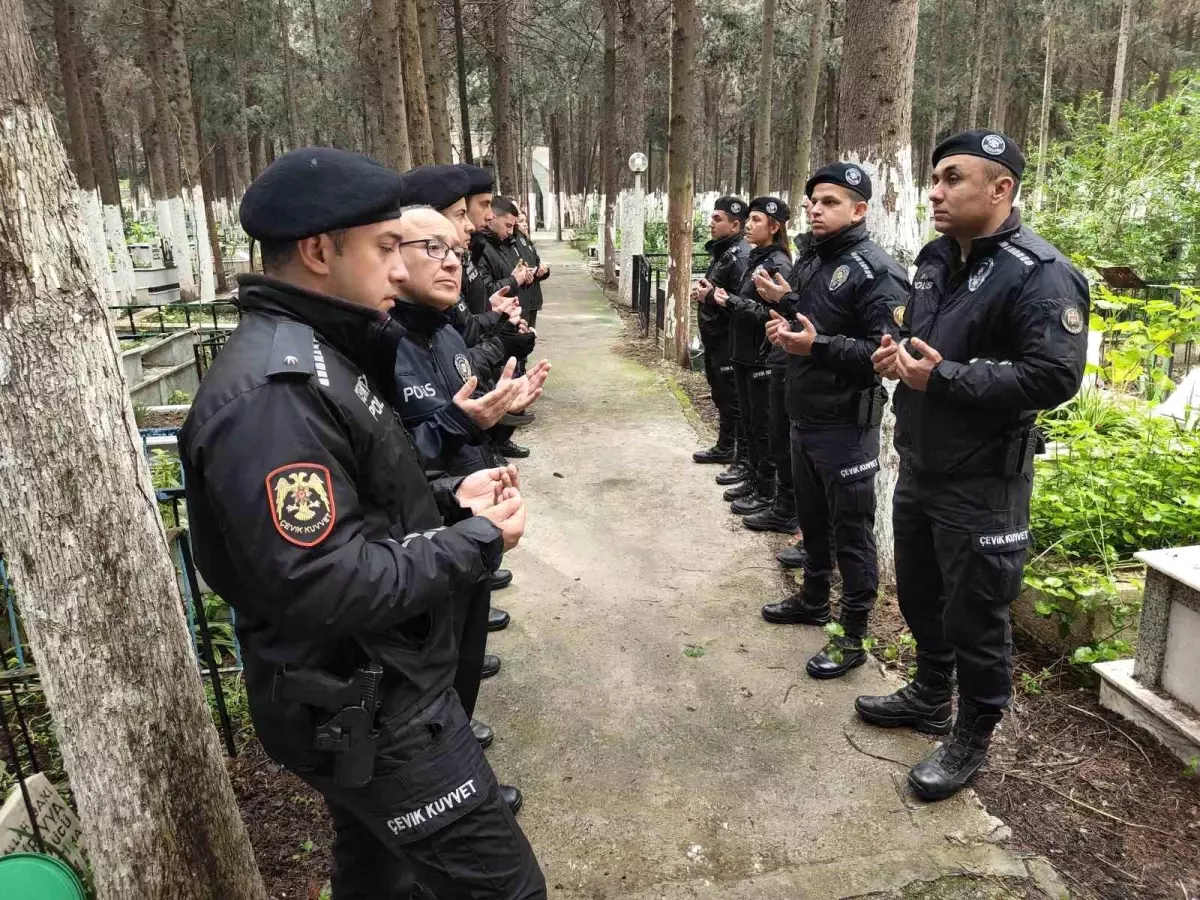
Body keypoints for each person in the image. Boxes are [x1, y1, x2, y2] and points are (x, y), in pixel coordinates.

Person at [179, 148, 546, 897]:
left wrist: (447, 500)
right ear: (318, 251)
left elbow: (359, 502)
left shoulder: (325, 354)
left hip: (366, 684)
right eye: (384, 248)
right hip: (369, 704)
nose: (396, 270)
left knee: (380, 877)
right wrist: (475, 540)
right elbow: (322, 581)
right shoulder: (277, 392)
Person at [860, 129, 1088, 801]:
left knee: (977, 614)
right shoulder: (934, 258)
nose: (934, 191)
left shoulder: (1040, 272)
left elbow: (1054, 377)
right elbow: (918, 336)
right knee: (923, 594)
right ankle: (932, 691)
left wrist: (945, 379)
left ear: (1001, 188)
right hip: (922, 465)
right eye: (934, 178)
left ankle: (972, 732)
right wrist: (895, 352)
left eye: (952, 178)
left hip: (985, 480)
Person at [756, 163, 909, 679]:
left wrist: (815, 344)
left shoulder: (876, 270)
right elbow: (820, 316)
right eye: (813, 201)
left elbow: (886, 350)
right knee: (814, 524)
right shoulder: (813, 259)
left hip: (847, 426)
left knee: (852, 534)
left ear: (859, 210)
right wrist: (786, 310)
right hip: (806, 415)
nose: (815, 209)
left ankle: (851, 635)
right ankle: (813, 599)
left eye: (830, 202)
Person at [713, 197, 793, 517]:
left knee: (763, 426)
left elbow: (771, 312)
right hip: (745, 354)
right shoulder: (756, 257)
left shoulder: (778, 263)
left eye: (756, 220)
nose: (748, 225)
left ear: (774, 227)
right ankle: (754, 478)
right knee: (749, 422)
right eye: (749, 219)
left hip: (762, 357)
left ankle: (766, 491)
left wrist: (730, 302)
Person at [691, 197, 750, 475]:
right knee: (721, 395)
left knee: (733, 399)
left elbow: (740, 301)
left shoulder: (740, 255)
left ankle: (739, 454)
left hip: (729, 340)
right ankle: (725, 445)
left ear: (735, 224)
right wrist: (705, 294)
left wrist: (711, 298)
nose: (711, 223)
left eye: (717, 219)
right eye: (712, 218)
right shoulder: (725, 252)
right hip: (715, 339)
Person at [512, 208, 550, 328]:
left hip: (533, 297)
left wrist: (543, 271)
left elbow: (536, 261)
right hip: (523, 298)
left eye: (526, 221)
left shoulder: (526, 241)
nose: (525, 224)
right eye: (521, 221)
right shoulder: (513, 242)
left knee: (531, 333)